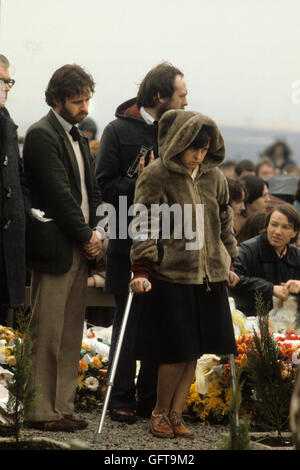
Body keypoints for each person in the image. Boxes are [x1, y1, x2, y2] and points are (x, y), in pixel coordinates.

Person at [130, 109, 239, 439]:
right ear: (178, 143)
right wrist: (142, 266)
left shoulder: (214, 176)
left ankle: (177, 415)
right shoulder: (157, 175)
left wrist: (230, 260)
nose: (199, 155)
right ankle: (159, 412)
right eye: (194, 148)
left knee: (194, 350)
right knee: (174, 351)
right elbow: (143, 222)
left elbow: (224, 220)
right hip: (171, 274)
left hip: (210, 276)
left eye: (205, 149)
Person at [95, 62, 188, 424]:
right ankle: (120, 397)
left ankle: (152, 400)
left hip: (168, 242)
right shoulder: (117, 131)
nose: (185, 102)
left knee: (160, 323)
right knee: (128, 321)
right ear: (160, 96)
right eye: (181, 95)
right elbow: (106, 186)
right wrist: (142, 182)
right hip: (127, 239)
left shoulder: (178, 133)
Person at [23, 64, 103, 432]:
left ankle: (63, 407)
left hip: (81, 244)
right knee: (48, 329)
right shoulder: (41, 134)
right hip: (57, 246)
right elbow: (59, 195)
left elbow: (91, 191)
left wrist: (99, 230)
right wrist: (88, 236)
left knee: (72, 331)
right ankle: (40, 411)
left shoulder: (79, 137)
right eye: (76, 100)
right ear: (57, 100)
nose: (84, 106)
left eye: (87, 98)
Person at [0, 54, 30, 325]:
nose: (7, 87)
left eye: (9, 81)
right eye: (2, 81)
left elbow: (19, 180)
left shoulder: (6, 120)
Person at [231, 204, 300, 316]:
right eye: (274, 225)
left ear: (294, 232)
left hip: (288, 321)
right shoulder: (248, 250)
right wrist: (271, 289)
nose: (277, 231)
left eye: (285, 227)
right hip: (251, 317)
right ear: (267, 226)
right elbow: (234, 277)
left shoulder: (296, 255)